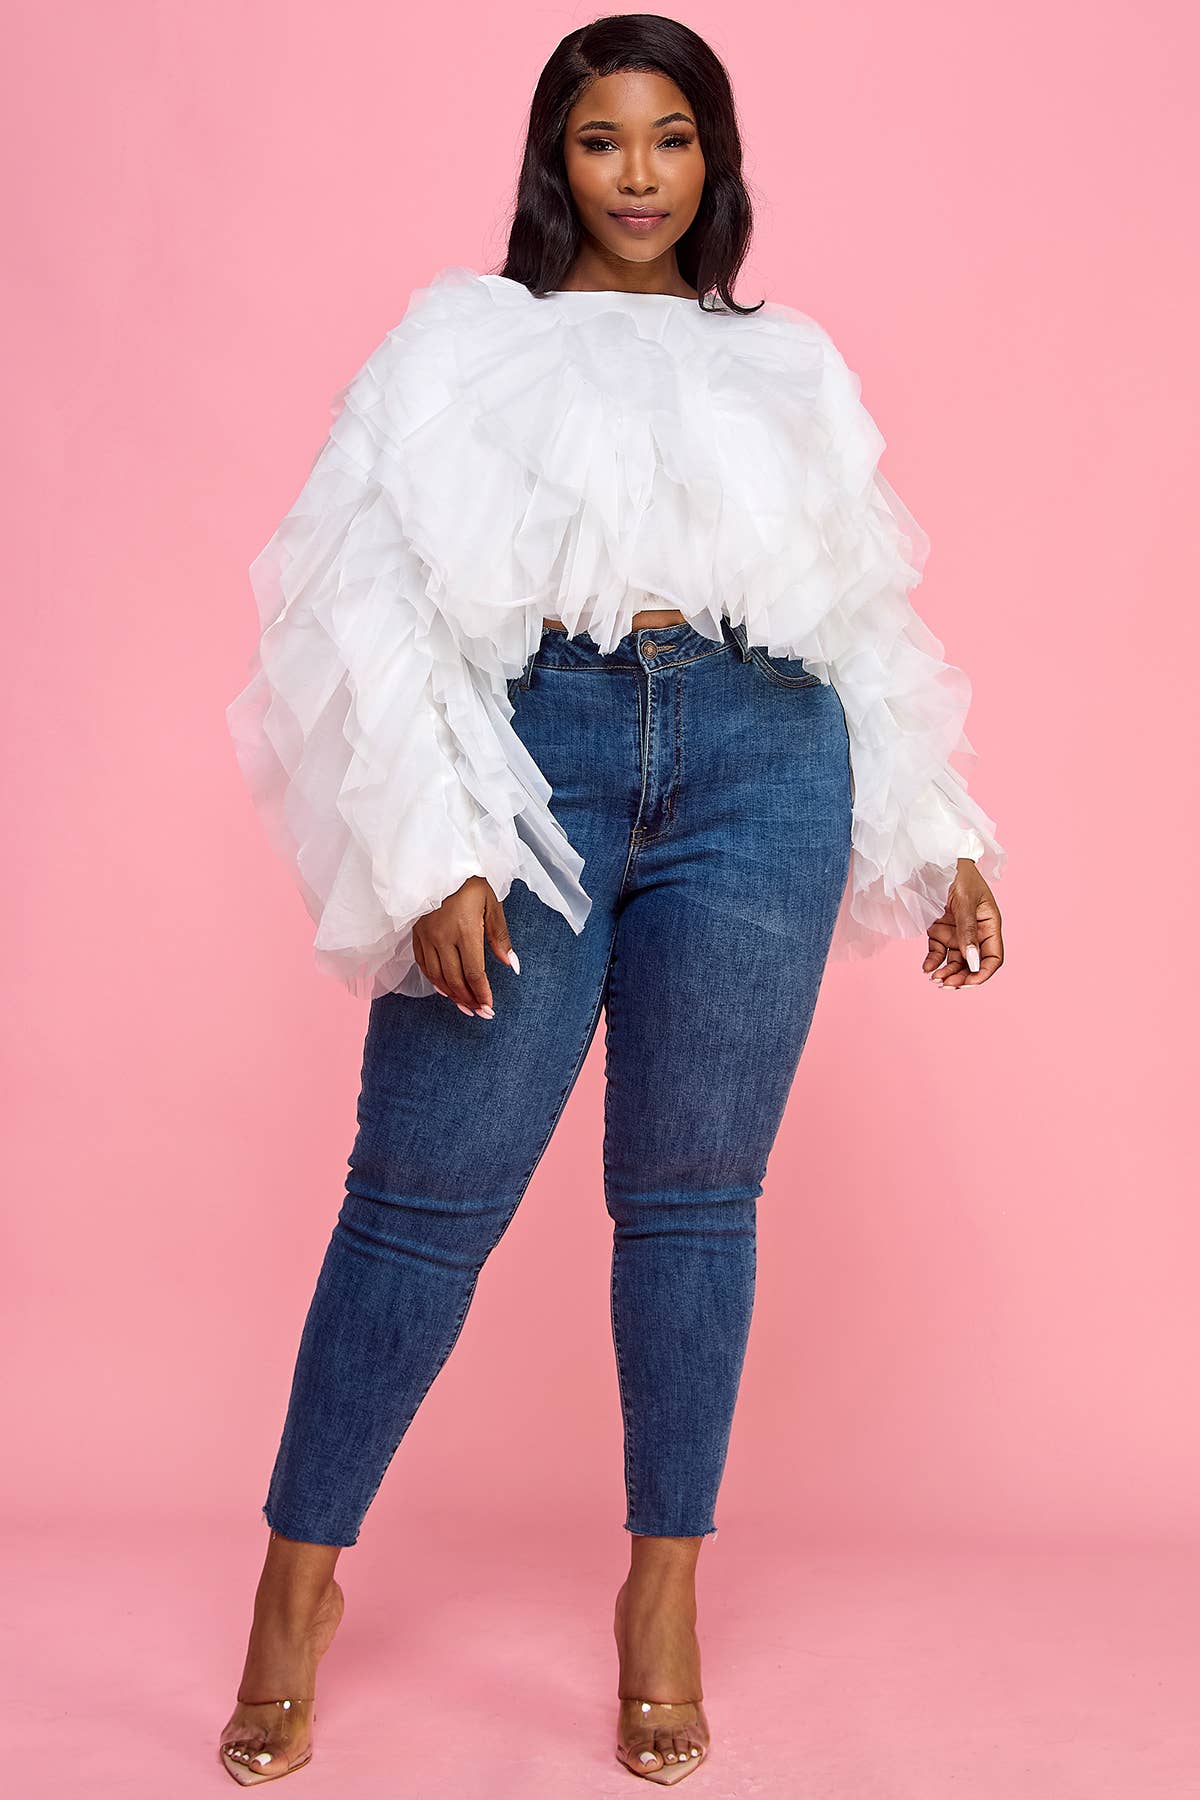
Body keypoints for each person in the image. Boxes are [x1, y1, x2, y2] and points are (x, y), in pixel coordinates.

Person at [218, 12, 1006, 1788]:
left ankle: (662, 1597)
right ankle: (294, 1588)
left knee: (693, 1205)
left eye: (672, 138)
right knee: (420, 1195)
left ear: (715, 159)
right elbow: (370, 591)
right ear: (549, 159)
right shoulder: (461, 342)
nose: (639, 175)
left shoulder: (785, 363)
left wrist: (939, 829)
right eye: (601, 140)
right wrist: (437, 846)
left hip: (763, 758)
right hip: (537, 751)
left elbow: (856, 614)